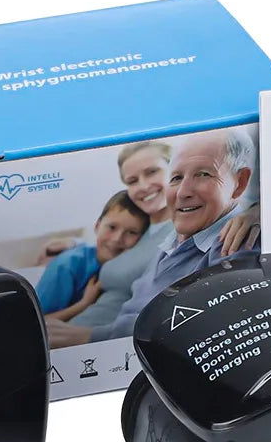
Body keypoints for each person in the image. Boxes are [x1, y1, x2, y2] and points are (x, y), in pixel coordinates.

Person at [47, 126, 254, 347]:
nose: (144, 186)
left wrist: (256, 211)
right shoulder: (145, 227)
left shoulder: (204, 226)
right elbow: (113, 246)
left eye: (152, 172)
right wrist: (75, 244)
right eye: (132, 181)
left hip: (105, 342)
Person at [34, 190, 149, 316]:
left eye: (132, 232)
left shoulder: (133, 270)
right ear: (97, 226)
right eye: (112, 227)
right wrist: (84, 304)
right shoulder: (66, 266)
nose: (117, 239)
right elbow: (37, 321)